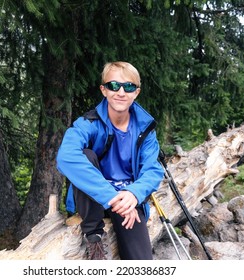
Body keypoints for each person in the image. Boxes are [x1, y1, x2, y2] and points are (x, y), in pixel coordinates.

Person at [56, 61, 164, 260]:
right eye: (114, 85)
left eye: (128, 86)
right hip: (95, 200)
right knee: (86, 155)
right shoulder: (88, 123)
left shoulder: (145, 130)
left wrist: (134, 193)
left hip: (127, 201)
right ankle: (94, 237)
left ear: (136, 92)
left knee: (142, 262)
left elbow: (153, 170)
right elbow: (65, 157)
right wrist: (112, 197)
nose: (121, 92)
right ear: (104, 90)